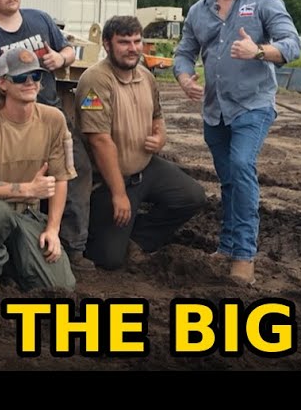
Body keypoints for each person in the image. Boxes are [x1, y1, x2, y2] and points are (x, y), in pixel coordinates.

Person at [173, 0, 301, 286]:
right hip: (215, 110)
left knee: (242, 166)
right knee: (229, 178)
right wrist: (184, 77)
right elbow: (184, 52)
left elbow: (292, 45)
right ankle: (227, 245)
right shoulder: (199, 10)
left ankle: (244, 255)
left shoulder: (264, 1)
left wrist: (258, 51)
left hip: (252, 105)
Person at [0, 0, 97, 271]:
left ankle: (71, 244)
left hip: (50, 113)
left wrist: (60, 58)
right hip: (6, 118)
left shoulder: (40, 20)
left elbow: (68, 50)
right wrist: (4, 75)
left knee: (76, 171)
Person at [78, 15, 207, 271]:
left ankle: (136, 239)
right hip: (108, 178)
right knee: (108, 260)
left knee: (192, 197)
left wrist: (160, 137)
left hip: (146, 168)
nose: (133, 48)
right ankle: (106, 232)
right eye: (124, 42)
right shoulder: (95, 80)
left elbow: (157, 116)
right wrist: (118, 194)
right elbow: (99, 141)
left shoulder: (146, 76)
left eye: (137, 41)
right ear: (107, 44)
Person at [0, 48, 76, 302]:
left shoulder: (54, 119)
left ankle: (12, 263)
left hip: (28, 214)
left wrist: (53, 229)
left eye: (36, 76)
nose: (30, 83)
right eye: (21, 77)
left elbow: (61, 178)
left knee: (61, 287)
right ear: (3, 83)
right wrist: (28, 189)